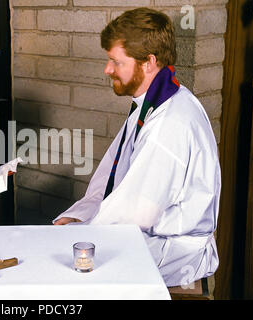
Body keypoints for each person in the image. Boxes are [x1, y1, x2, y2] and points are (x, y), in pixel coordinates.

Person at [53, 8, 221, 287]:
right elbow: (112, 175)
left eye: (115, 62)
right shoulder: (154, 102)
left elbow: (139, 211)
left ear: (148, 62)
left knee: (72, 267)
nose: (107, 69)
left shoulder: (171, 122)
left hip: (174, 249)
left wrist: (81, 231)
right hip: (151, 233)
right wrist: (81, 213)